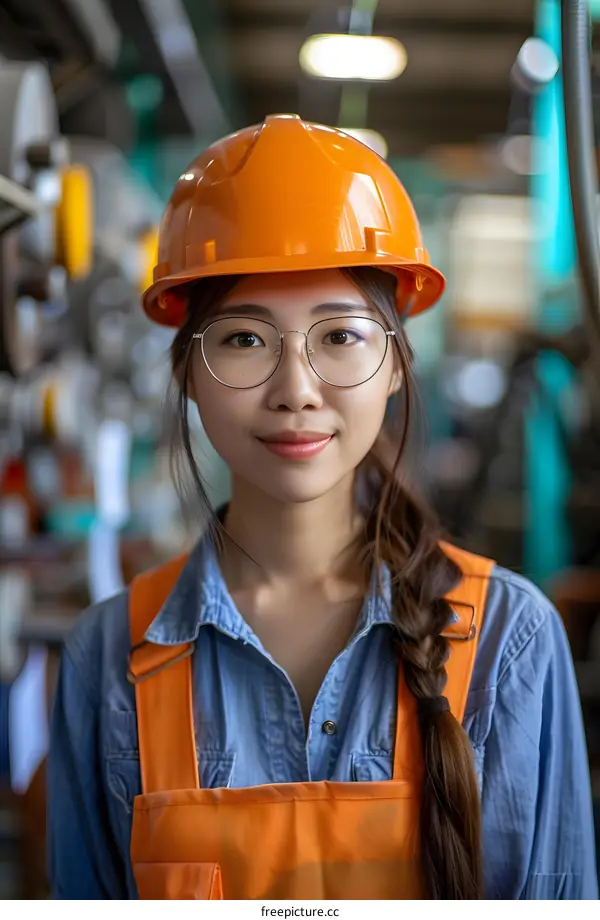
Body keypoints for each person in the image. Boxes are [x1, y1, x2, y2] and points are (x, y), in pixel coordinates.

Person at [47, 114, 598, 900]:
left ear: (397, 366)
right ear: (186, 373)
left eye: (339, 336)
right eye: (244, 340)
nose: (296, 390)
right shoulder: (107, 659)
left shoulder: (510, 642)